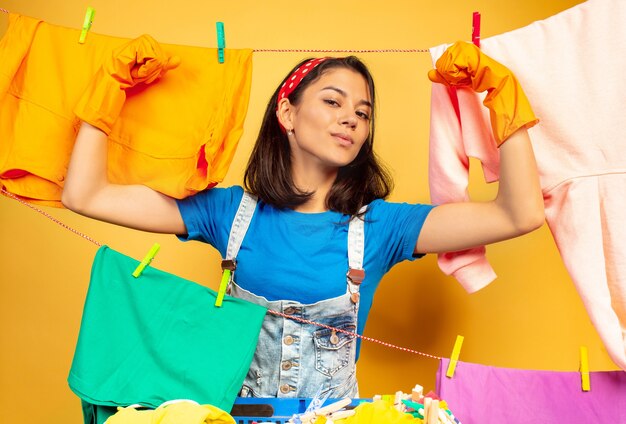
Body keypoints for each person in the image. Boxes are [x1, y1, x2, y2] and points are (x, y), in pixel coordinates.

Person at [62, 36, 544, 398]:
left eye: (363, 112)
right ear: (287, 114)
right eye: (332, 101)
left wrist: (501, 93)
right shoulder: (228, 213)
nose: (352, 118)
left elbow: (519, 213)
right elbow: (86, 195)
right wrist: (111, 89)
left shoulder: (382, 228)